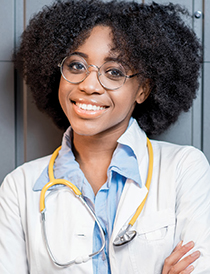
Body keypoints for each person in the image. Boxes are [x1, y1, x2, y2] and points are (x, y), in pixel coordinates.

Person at [0, 0, 210, 273]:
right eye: (76, 66)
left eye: (114, 72)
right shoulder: (19, 188)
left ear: (142, 90)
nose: (88, 85)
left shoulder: (185, 168)